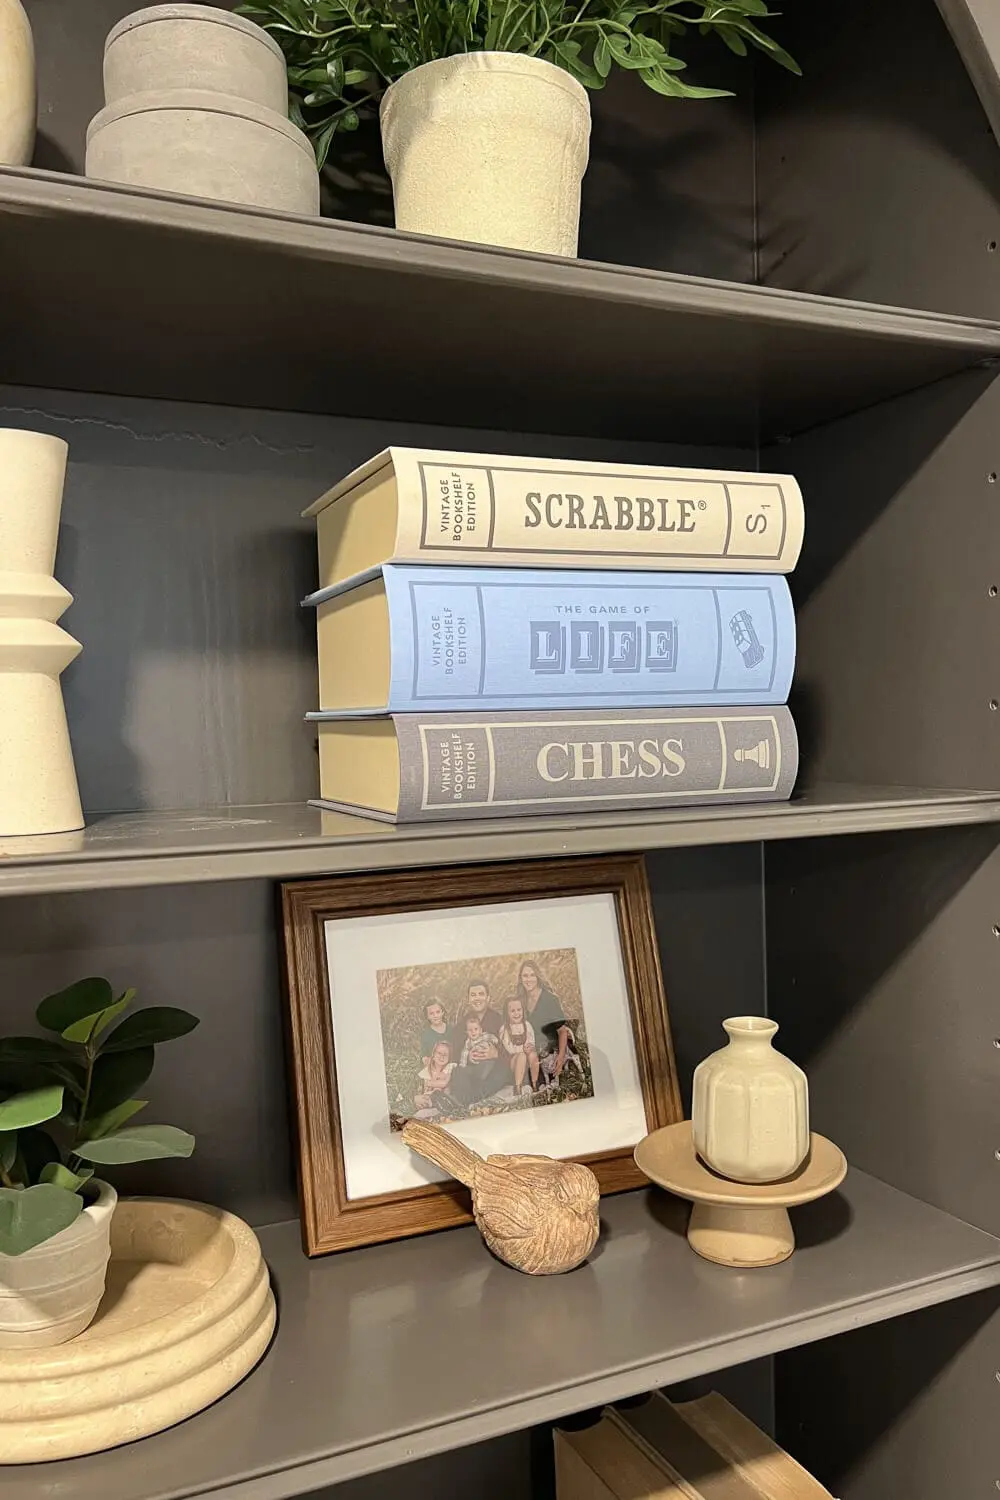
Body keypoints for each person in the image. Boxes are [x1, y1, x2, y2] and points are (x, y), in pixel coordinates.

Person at [516, 959, 578, 1087]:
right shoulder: (520, 1000)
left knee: (542, 1081)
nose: (528, 979)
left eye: (532, 975)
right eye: (525, 976)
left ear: (538, 976)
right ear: (521, 978)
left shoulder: (550, 999)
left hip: (551, 1046)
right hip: (532, 1047)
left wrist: (560, 1058)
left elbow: (562, 1031)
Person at [449, 1011, 504, 1107]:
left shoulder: (485, 1036)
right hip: (475, 1066)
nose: (473, 1032)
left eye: (476, 1029)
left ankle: (474, 1092)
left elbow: (494, 1038)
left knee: (488, 1065)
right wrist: (463, 1066)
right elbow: (464, 1053)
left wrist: (494, 1043)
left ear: (481, 1030)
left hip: (487, 1062)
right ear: (467, 1032)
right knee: (460, 1072)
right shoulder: (468, 1042)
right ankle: (469, 1095)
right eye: (470, 1030)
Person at [499, 996, 539, 1096]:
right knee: (521, 1055)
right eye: (512, 1011)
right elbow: (510, 1049)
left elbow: (531, 1041)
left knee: (533, 1055)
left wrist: (529, 1048)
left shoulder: (527, 1025)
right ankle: (518, 1087)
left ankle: (535, 1083)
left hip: (527, 1059)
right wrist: (523, 1050)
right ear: (507, 1013)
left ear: (523, 1010)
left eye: (519, 1010)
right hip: (513, 1061)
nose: (516, 1013)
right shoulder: (505, 1029)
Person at [413, 1039, 455, 1115]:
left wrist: (426, 1083)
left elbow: (444, 1083)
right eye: (439, 1053)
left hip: (442, 1099)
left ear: (449, 1058)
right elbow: (421, 1089)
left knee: (438, 1093)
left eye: (445, 1055)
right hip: (427, 1099)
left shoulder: (449, 1068)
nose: (442, 1057)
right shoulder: (426, 1071)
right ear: (433, 1055)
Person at [457, 978, 504, 1043]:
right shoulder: (461, 1026)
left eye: (481, 994)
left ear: (488, 998)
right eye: (473, 995)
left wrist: (494, 1052)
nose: (477, 998)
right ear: (468, 999)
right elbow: (457, 1051)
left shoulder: (500, 1021)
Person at [419, 998, 455, 1067]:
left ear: (442, 1012)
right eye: (431, 1013)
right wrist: (426, 1060)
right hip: (435, 1067)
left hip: (451, 1066)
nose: (435, 1016)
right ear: (427, 1016)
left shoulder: (451, 1029)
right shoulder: (426, 1034)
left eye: (438, 1012)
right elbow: (423, 1055)